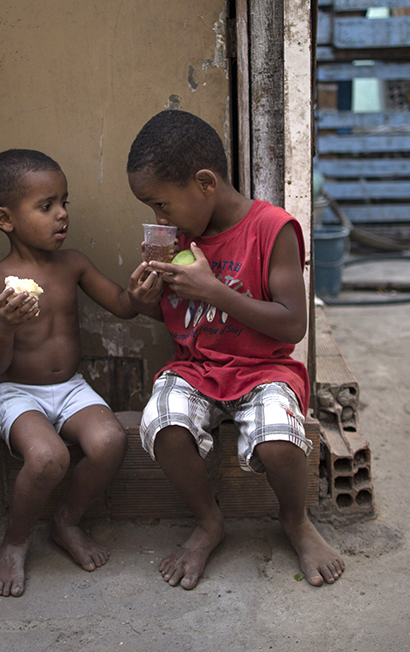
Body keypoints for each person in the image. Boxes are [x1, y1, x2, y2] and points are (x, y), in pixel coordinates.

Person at [126, 109, 345, 590]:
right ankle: (209, 521)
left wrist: (213, 290)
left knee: (279, 442)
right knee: (162, 424)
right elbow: (176, 312)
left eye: (162, 205)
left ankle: (296, 520)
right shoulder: (178, 239)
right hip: (197, 369)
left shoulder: (273, 229)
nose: (158, 219)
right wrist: (144, 300)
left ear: (205, 183)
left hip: (263, 370)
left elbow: (293, 324)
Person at [0, 149, 158, 597]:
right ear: (5, 219)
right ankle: (15, 543)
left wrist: (137, 294)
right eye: (46, 206)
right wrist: (4, 325)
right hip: (17, 391)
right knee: (47, 457)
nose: (61, 215)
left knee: (110, 440)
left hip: (70, 387)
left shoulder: (72, 263)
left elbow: (121, 306)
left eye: (64, 203)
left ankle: (66, 522)